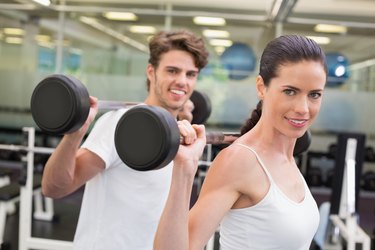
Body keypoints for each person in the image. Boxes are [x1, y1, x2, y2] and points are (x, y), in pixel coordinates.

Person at [154, 34, 328, 250]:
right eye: (290, 91)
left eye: (314, 95)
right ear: (261, 87)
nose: (303, 108)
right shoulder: (239, 160)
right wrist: (184, 169)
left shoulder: (287, 158)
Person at [41, 30, 209, 250]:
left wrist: (184, 117)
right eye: (172, 71)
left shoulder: (183, 138)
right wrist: (74, 136)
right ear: (151, 72)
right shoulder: (120, 123)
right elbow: (54, 188)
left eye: (190, 74)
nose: (181, 81)